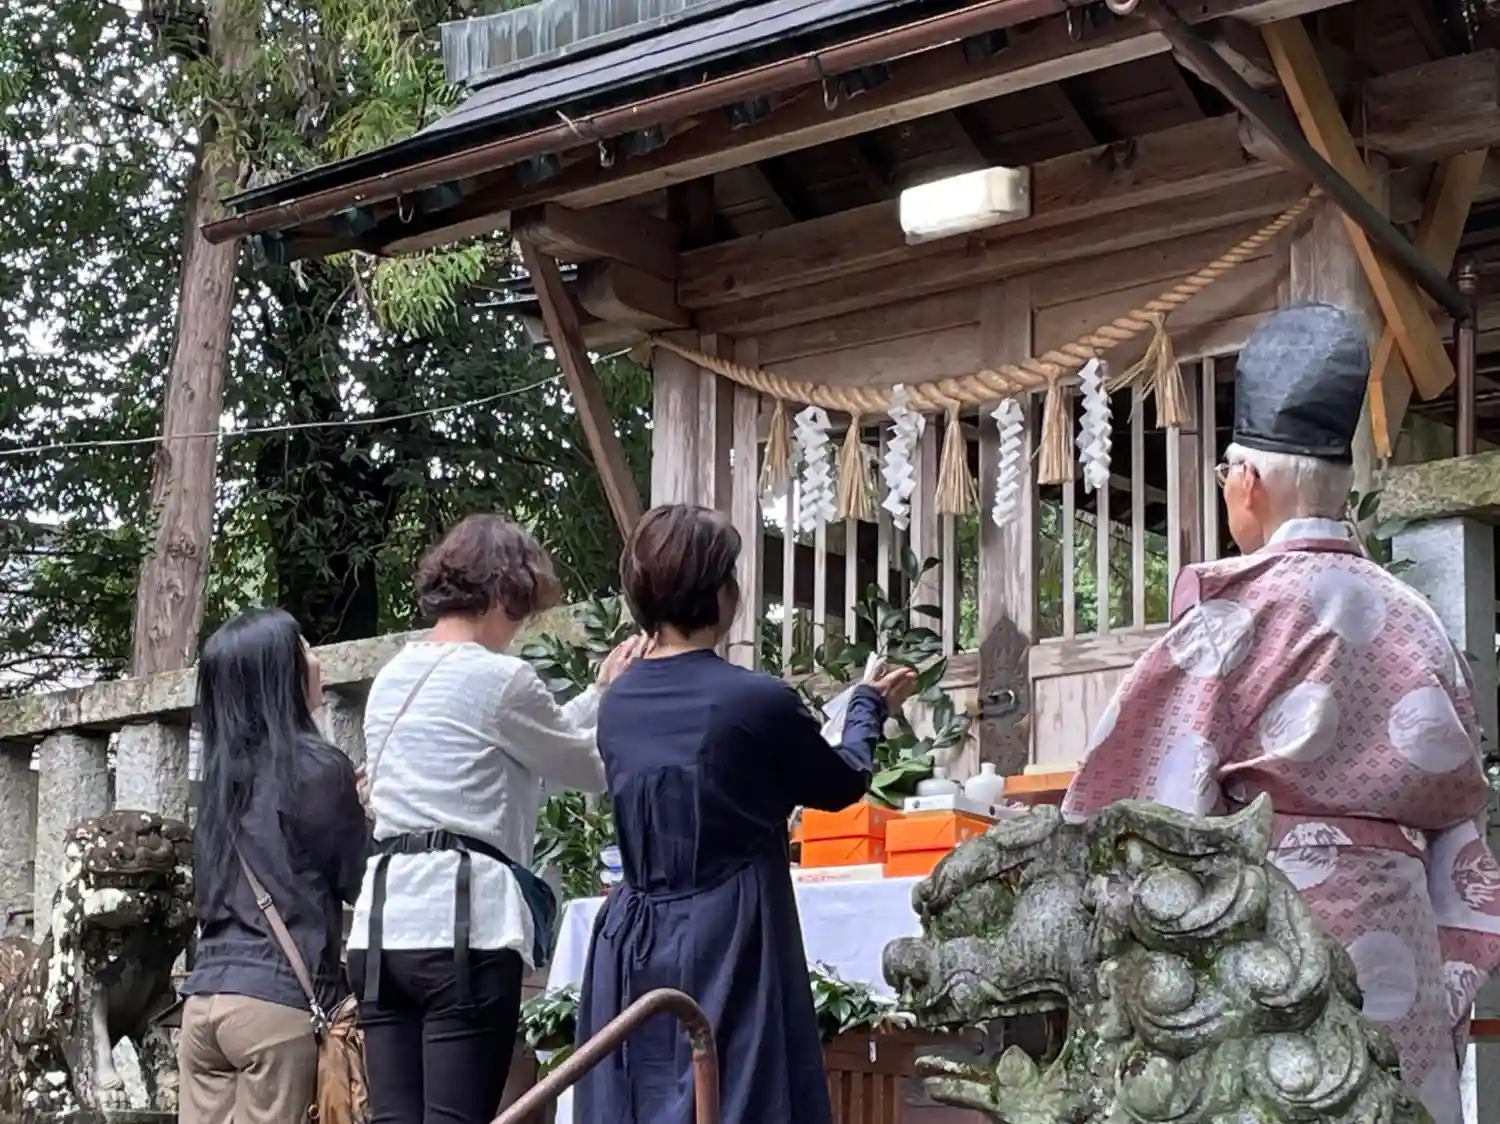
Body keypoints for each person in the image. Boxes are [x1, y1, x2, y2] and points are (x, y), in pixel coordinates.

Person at [1060, 303, 1500, 1124]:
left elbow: (1141, 807)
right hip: (1401, 933)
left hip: (1271, 932)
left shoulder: (1235, 616)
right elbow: (1461, 815)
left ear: (1247, 484)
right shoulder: (1419, 620)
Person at [576, 504, 917, 1124]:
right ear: (720, 593)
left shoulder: (617, 702)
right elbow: (840, 783)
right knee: (736, 1092)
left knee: (640, 1094)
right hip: (728, 928)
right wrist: (868, 708)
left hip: (634, 928)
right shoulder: (754, 699)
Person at [346, 513, 644, 1124]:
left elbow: (528, 740)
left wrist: (597, 695)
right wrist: (619, 702)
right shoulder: (501, 678)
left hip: (382, 929)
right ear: (504, 593)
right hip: (463, 928)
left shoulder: (393, 677)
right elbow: (586, 766)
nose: (520, 625)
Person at [179, 608, 371, 1124]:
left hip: (204, 1005)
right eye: (304, 650)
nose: (315, 661)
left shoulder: (220, 783)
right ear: (279, 674)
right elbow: (359, 879)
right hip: (275, 1006)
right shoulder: (316, 768)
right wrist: (363, 814)